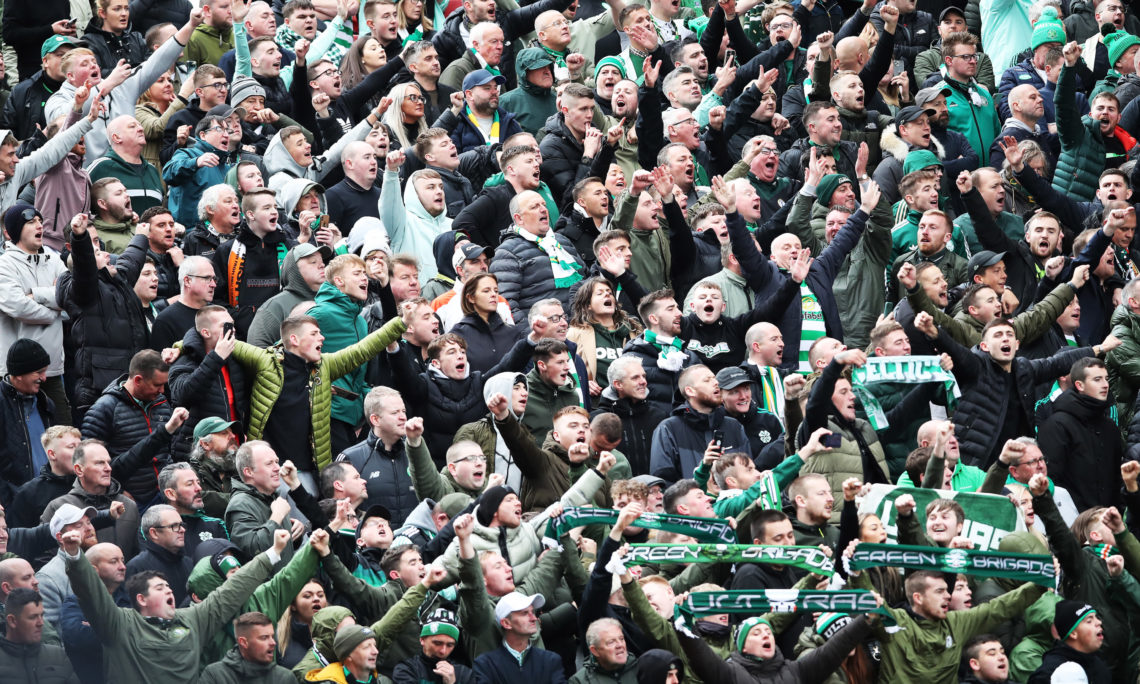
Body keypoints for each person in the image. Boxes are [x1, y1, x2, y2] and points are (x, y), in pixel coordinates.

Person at [79, 350, 174, 505]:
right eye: (157, 385)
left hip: (165, 496)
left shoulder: (161, 403)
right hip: (129, 501)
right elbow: (87, 463)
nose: (162, 391)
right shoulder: (103, 409)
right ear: (137, 380)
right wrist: (115, 491)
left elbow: (169, 450)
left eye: (164, 384)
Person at [335, 387, 418, 526]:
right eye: (395, 412)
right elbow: (336, 511)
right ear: (375, 419)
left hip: (415, 543)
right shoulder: (349, 458)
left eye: (403, 411)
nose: (403, 417)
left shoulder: (417, 452)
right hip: (370, 544)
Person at [473, 592, 567, 684]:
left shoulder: (551, 661)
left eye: (533, 612)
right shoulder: (486, 664)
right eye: (525, 613)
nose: (533, 618)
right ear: (506, 623)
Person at [0, 588, 78, 683]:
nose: (41, 623)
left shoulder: (58, 656)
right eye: (33, 617)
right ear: (12, 621)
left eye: (42, 615)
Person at [124, 503, 195, 605]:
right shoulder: (136, 567)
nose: (182, 530)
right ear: (154, 533)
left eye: (182, 525)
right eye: (174, 526)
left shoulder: (188, 563)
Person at [198, 611, 294, 684]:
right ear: (243, 642)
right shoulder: (215, 675)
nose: (273, 643)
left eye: (272, 637)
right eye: (264, 638)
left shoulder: (285, 678)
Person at [1029, 600, 1111, 683]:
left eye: (1096, 617)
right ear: (1072, 633)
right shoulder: (1050, 673)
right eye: (1089, 621)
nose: (1099, 622)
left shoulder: (1099, 665)